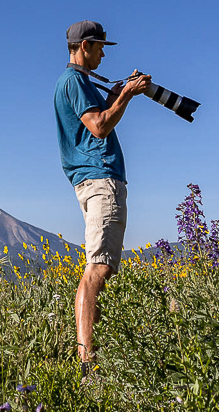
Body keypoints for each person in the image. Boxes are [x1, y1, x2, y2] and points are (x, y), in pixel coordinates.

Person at [53, 20, 151, 376]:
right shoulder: (74, 81)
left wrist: (119, 91)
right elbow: (99, 126)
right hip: (100, 178)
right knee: (98, 268)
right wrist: (126, 96)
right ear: (85, 46)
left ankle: (88, 353)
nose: (103, 53)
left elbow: (97, 116)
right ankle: (87, 364)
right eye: (100, 47)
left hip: (91, 179)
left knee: (98, 266)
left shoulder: (77, 83)